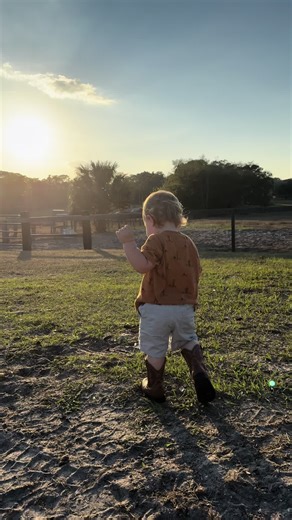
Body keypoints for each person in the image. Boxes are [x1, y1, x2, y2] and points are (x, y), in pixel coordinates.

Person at [115, 190, 216, 405]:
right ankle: (199, 370)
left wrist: (128, 243)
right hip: (184, 308)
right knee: (188, 341)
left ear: (150, 219)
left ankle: (155, 387)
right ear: (178, 218)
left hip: (155, 308)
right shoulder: (189, 243)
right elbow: (196, 272)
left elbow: (142, 265)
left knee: (156, 349)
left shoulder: (155, 240)